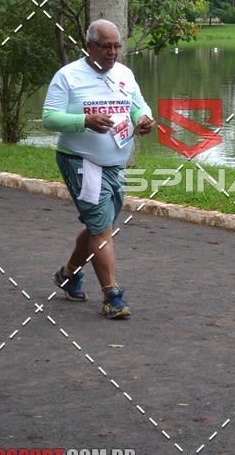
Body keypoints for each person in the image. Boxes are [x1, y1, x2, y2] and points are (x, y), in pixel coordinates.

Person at [42, 20, 156, 319]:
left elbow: (137, 104)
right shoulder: (68, 76)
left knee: (100, 224)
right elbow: (50, 118)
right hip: (81, 160)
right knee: (101, 226)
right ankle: (112, 295)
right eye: (106, 46)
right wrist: (84, 121)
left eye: (117, 46)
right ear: (89, 46)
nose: (113, 52)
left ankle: (68, 274)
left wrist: (143, 119)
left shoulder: (124, 74)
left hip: (115, 163)